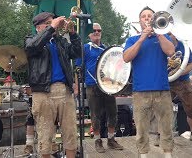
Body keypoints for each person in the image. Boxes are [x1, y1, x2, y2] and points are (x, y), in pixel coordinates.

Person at [24, 12, 81, 158]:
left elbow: (77, 52)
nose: (53, 25)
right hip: (43, 92)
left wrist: (73, 34)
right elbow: (32, 48)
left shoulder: (60, 41)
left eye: (52, 22)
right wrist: (52, 28)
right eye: (48, 23)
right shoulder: (30, 39)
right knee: (45, 135)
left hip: (64, 91)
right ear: (38, 27)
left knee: (70, 132)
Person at [123, 6, 175, 158]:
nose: (146, 18)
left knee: (166, 127)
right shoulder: (132, 40)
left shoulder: (162, 37)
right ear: (139, 21)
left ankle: (168, 154)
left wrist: (159, 34)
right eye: (144, 16)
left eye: (149, 16)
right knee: (141, 129)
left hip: (162, 90)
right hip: (140, 91)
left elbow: (171, 51)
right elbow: (126, 57)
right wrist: (142, 38)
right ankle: (144, 155)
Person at [74, 23, 124, 153]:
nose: (96, 32)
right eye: (94, 30)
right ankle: (97, 140)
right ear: (89, 34)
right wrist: (76, 86)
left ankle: (111, 139)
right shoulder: (85, 48)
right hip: (92, 85)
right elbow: (77, 68)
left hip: (108, 86)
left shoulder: (107, 49)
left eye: (99, 30)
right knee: (95, 115)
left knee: (112, 113)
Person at [168, 33, 192, 143]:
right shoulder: (161, 44)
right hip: (166, 82)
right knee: (163, 109)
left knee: (190, 108)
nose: (168, 34)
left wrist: (177, 74)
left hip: (183, 81)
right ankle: (161, 135)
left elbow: (191, 65)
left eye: (170, 33)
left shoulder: (184, 46)